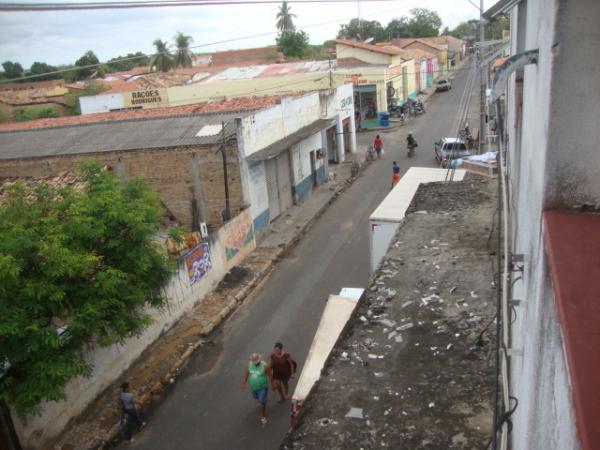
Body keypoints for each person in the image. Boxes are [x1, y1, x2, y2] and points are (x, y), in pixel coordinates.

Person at [242, 353, 273, 425]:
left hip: (262, 387)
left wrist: (272, 385)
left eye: (257, 362)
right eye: (254, 362)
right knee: (256, 397)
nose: (256, 363)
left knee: (260, 403)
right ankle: (263, 402)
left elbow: (270, 376)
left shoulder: (265, 366)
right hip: (254, 388)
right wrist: (244, 381)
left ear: (259, 360)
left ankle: (263, 416)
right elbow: (247, 372)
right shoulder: (250, 364)